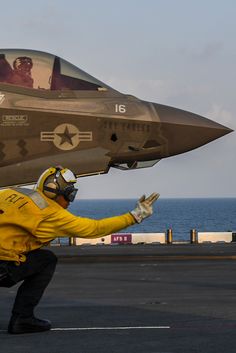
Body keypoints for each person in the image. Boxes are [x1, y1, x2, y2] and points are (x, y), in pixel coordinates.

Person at [0, 166, 159, 334]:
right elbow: (95, 228)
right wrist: (135, 215)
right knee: (47, 259)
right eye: (69, 195)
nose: (70, 201)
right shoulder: (52, 214)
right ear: (55, 192)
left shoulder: (10, 192)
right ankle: (22, 318)